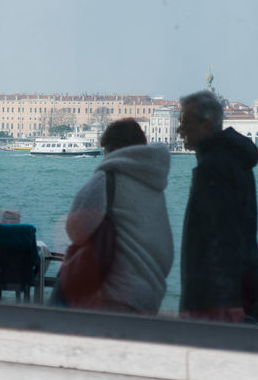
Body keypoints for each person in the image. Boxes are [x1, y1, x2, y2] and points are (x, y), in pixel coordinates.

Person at [56, 118, 173, 313]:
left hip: (113, 295)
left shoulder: (107, 178)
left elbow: (75, 230)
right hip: (150, 298)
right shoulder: (155, 186)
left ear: (111, 149)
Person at [176, 90, 258, 323]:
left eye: (184, 122)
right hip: (237, 297)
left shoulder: (213, 169)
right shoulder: (235, 163)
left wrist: (218, 305)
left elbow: (219, 241)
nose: (179, 130)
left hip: (215, 306)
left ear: (205, 124)